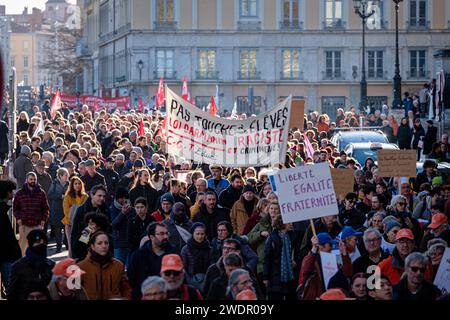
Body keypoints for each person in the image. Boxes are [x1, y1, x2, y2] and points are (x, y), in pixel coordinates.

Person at [127, 222, 177, 300]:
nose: (166, 236)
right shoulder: (138, 256)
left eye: (167, 233)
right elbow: (131, 280)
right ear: (152, 237)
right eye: (161, 234)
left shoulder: (174, 254)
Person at [77, 231, 131, 300]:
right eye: (99, 243)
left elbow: (126, 288)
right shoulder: (81, 266)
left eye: (106, 243)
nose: (104, 246)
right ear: (93, 246)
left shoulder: (118, 265)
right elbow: (74, 291)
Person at [297, 232, 352, 300]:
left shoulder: (332, 260)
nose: (332, 248)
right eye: (330, 244)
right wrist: (314, 248)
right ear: (321, 246)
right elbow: (306, 269)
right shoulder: (310, 260)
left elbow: (347, 273)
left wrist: (344, 253)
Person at [8, 230, 55, 300]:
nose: (41, 245)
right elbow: (12, 293)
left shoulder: (51, 265)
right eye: (38, 242)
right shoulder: (18, 266)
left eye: (44, 242)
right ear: (31, 244)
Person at [13, 172, 50, 256]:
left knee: (38, 247)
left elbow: (46, 208)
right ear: (26, 180)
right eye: (31, 179)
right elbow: (15, 208)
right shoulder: (20, 193)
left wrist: (43, 220)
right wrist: (18, 219)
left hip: (37, 224)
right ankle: (23, 266)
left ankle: (37, 266)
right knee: (23, 249)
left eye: (34, 180)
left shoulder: (41, 192)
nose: (33, 181)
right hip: (24, 224)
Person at [263, 216, 298, 300]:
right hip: (275, 276)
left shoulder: (292, 236)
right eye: (288, 222)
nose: (290, 224)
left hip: (290, 277)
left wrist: (295, 261)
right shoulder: (272, 238)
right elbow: (267, 258)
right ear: (281, 224)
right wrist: (265, 277)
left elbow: (297, 253)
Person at [71, 184, 109, 261]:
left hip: (101, 250)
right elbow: (74, 231)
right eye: (99, 195)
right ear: (92, 195)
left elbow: (108, 230)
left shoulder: (106, 210)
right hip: (83, 249)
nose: (102, 198)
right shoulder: (81, 210)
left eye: (104, 196)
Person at [0, 179, 21, 297]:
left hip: (5, 254)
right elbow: (6, 236)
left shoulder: (3, 210)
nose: (12, 195)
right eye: (11, 192)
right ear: (6, 193)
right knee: (12, 289)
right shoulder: (2, 212)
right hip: (6, 255)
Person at [62, 177, 89, 258]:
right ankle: (71, 264)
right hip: (69, 224)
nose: (77, 185)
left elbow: (87, 210)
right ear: (72, 185)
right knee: (71, 245)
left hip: (84, 225)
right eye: (75, 184)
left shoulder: (85, 196)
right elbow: (66, 211)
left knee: (84, 243)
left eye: (79, 183)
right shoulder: (68, 196)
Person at [181, 222, 212, 290]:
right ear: (193, 234)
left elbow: (211, 266)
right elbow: (183, 268)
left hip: (206, 281)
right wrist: (190, 282)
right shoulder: (186, 249)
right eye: (197, 234)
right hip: (191, 280)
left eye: (202, 234)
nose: (200, 236)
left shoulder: (209, 249)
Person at [47, 168, 69, 253]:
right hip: (56, 209)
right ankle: (58, 246)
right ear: (60, 175)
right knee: (57, 229)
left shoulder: (69, 184)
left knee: (66, 227)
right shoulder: (54, 183)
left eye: (67, 175)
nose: (67, 177)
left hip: (66, 210)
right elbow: (50, 194)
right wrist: (60, 196)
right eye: (65, 175)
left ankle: (67, 245)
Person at [109, 187, 132, 266]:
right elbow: (113, 225)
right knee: (118, 268)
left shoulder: (131, 209)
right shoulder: (112, 208)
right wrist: (122, 214)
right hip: (119, 244)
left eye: (125, 198)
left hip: (129, 243)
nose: (124, 200)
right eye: (121, 198)